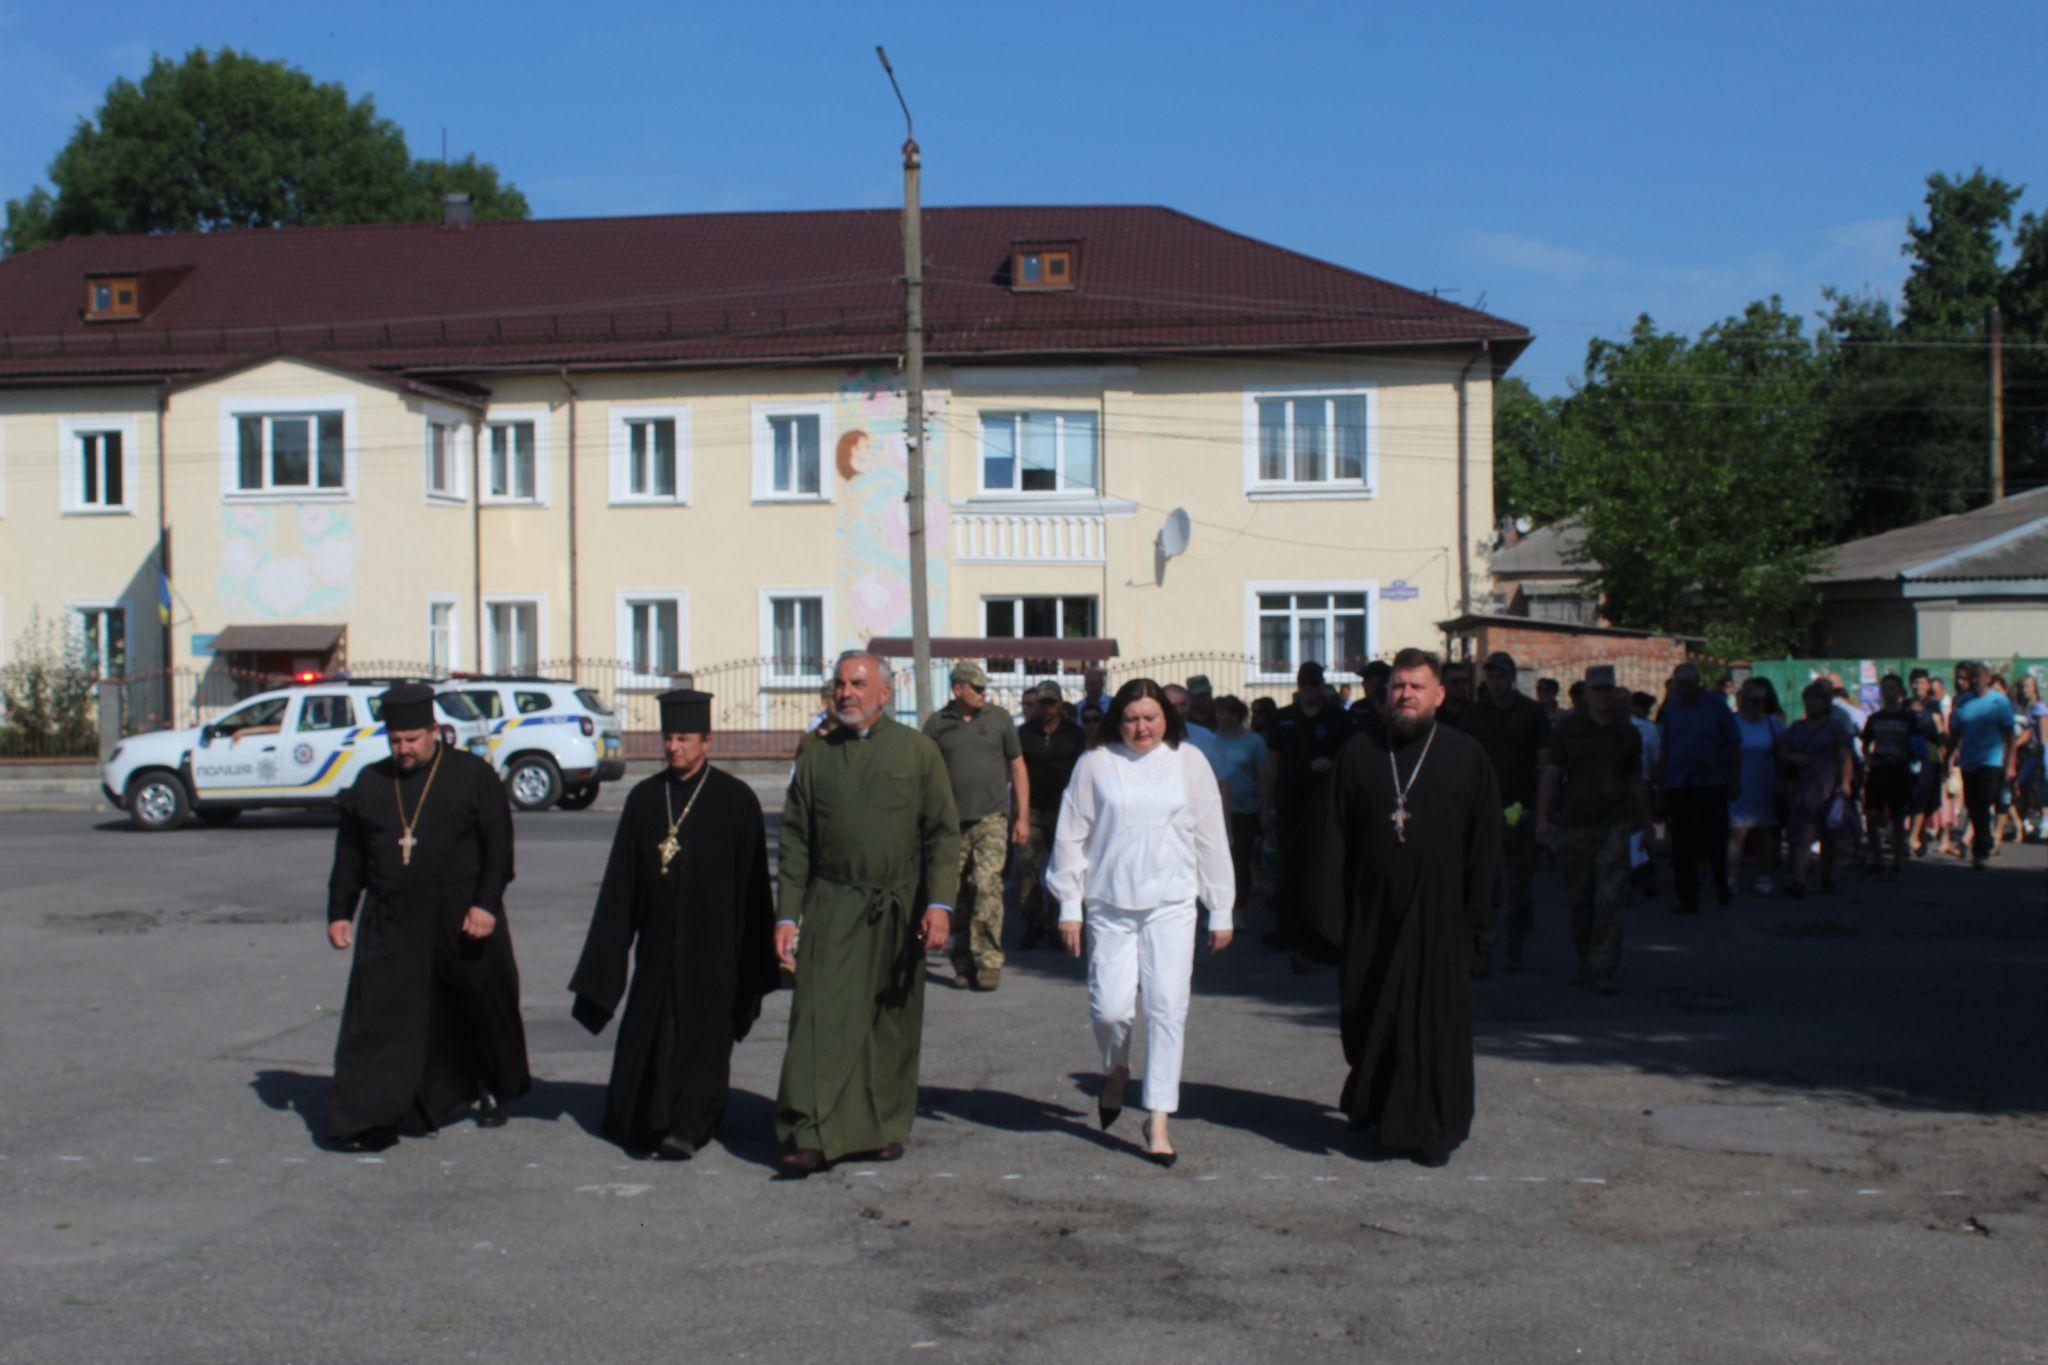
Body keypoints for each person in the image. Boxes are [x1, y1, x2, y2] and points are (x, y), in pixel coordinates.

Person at [1303, 648, 1503, 1167]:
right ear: (1384, 694)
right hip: (1373, 914)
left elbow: (1486, 844)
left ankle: (1433, 1127)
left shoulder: (1466, 755)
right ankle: (1379, 1113)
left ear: (1439, 695)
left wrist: (1479, 917)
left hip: (1441, 918)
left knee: (1433, 1023)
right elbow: (1333, 838)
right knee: (1371, 1013)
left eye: (1416, 687)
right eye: (1397, 687)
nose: (1406, 695)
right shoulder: (1360, 752)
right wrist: (1329, 917)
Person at [567, 690, 779, 1159]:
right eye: (668, 738)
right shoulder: (645, 799)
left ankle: (690, 1125)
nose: (674, 748)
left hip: (714, 946)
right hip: (659, 943)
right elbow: (620, 888)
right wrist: (604, 968)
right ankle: (645, 1119)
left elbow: (753, 892)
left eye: (684, 738)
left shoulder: (735, 800)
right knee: (652, 1027)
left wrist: (754, 959)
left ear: (707, 741)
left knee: (704, 1034)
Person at [773, 651, 962, 1176]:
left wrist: (939, 905)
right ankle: (806, 1130)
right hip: (833, 904)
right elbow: (795, 843)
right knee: (818, 1017)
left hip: (897, 908)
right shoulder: (815, 756)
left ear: (885, 693)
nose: (846, 693)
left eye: (858, 684)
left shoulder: (917, 752)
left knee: (888, 1026)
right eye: (840, 684)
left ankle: (878, 1130)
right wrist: (786, 915)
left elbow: (944, 834)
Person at [323, 682, 529, 1149]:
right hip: (391, 918)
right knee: (378, 1018)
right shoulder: (372, 783)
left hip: (461, 915)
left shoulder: (472, 776)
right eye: (395, 741)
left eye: (412, 739)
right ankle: (368, 1116)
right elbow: (351, 854)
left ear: (435, 730)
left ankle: (487, 1088)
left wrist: (486, 903)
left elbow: (499, 848)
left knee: (475, 1005)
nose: (404, 749)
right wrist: (340, 911)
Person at [1048, 678, 1235, 1166]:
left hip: (1172, 904)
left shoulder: (1188, 761)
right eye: (1131, 718)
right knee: (1110, 1010)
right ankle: (1115, 1068)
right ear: (1117, 720)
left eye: (1150, 717)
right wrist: (1070, 905)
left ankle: (1157, 1118)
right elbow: (1071, 834)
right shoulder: (1095, 763)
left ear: (1166, 719)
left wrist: (1221, 906)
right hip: (1109, 905)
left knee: (1167, 1008)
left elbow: (1210, 835)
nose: (1141, 727)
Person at [1537, 667, 1654, 994]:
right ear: (1586, 693)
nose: (1602, 696)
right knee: (1580, 899)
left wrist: (1648, 826)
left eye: (1607, 690)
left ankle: (1603, 967)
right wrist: (1543, 818)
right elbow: (1551, 772)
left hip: (1614, 824)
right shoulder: (1570, 728)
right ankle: (1584, 960)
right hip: (1576, 824)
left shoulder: (1626, 732)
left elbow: (1637, 781)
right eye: (1596, 690)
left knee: (1610, 899)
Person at [923, 661, 1028, 989]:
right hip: (950, 824)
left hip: (991, 817)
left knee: (986, 884)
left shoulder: (998, 719)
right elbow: (923, 771)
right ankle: (963, 962)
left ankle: (989, 960)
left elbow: (1017, 766)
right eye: (977, 688)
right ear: (958, 690)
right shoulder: (938, 724)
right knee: (955, 895)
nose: (984, 693)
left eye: (985, 688)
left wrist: (1021, 815)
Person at [1454, 651, 1550, 974]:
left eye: (1501, 677)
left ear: (1512, 679)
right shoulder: (1474, 715)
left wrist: (1542, 809)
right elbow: (1460, 761)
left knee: (1520, 885)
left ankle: (1515, 945)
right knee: (1482, 883)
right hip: (1482, 809)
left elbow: (1544, 761)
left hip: (1519, 809)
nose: (1495, 683)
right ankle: (1482, 948)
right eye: (1490, 677)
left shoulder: (1532, 713)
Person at [1259, 661, 1353, 954]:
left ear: (1322, 684)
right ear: (1298, 686)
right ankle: (1286, 930)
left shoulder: (1338, 718)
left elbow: (1352, 758)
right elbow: (1271, 764)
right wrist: (1266, 807)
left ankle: (1321, 931)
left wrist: (1332, 762)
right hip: (1289, 804)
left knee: (1323, 869)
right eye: (1304, 684)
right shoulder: (1283, 718)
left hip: (1324, 805)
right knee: (1288, 868)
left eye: (1314, 684)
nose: (1309, 689)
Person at [1657, 662, 1742, 912]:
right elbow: (1666, 749)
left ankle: (1720, 886)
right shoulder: (1672, 708)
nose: (1682, 690)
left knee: (1715, 839)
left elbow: (1734, 744)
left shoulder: (1715, 705)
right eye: (1678, 686)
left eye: (1686, 685)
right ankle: (1687, 897)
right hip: (1680, 784)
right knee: (1682, 844)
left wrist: (1735, 780)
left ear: (1697, 684)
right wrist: (1661, 788)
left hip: (1712, 783)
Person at [1014, 680, 1087, 951]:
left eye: (1051, 702)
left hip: (1064, 811)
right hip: (1031, 810)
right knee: (1027, 869)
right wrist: (1017, 814)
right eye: (1041, 702)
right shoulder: (1024, 734)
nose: (1046, 708)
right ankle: (1033, 923)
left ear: (1060, 704)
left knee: (1062, 867)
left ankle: (1058, 921)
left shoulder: (1075, 735)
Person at [1779, 681, 1855, 897]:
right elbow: (1782, 751)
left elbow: (1844, 756)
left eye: (1816, 700)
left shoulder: (1835, 728)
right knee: (1802, 835)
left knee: (1827, 836)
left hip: (1828, 787)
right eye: (1808, 700)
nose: (1811, 705)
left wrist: (1845, 782)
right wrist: (1795, 758)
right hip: (1804, 788)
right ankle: (1799, 880)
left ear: (1825, 703)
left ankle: (1826, 876)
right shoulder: (1797, 727)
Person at [1949, 661, 2020, 870]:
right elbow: (1955, 733)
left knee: (1983, 802)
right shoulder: (1963, 702)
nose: (1976, 681)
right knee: (1972, 805)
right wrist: (1948, 758)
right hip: (1969, 760)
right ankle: (1985, 840)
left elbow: (2010, 735)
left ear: (1988, 678)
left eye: (1980, 677)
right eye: (1973, 677)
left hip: (1992, 760)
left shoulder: (2000, 702)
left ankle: (1981, 849)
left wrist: (2009, 764)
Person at [1209, 696, 1271, 926]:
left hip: (1245, 809)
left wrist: (1265, 807)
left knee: (1240, 859)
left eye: (1224, 712)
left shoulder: (1253, 741)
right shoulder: (1212, 740)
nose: (1219, 717)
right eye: (1217, 712)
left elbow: (1264, 775)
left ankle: (1238, 908)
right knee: (1217, 859)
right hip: (1216, 810)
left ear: (1236, 715)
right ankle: (1217, 906)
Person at [1859, 674, 1926, 881]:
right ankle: (1877, 859)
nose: (1888, 692)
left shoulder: (1908, 718)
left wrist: (1906, 756)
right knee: (1872, 815)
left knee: (1897, 818)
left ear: (1899, 692)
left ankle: (1897, 861)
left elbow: (1918, 746)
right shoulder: (1875, 718)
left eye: (1892, 688)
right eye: (1885, 688)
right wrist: (1870, 759)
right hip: (1879, 770)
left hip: (1899, 771)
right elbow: (1865, 744)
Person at [1727, 680, 1787, 893]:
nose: (1757, 705)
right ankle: (1731, 876)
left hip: (1765, 782)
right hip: (1739, 782)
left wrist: (1781, 782)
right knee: (1737, 832)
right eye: (1752, 700)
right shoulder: (1733, 723)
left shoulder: (1772, 724)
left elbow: (1780, 755)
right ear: (1742, 701)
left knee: (1764, 832)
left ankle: (1765, 874)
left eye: (1761, 701)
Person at [1165, 682, 1222, 773]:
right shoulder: (1148, 737)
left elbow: (1222, 780)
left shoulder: (1205, 737)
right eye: (1173, 706)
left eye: (1183, 705)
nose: (1179, 711)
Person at [1439, 659, 1475, 728]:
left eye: (1464, 681)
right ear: (1443, 684)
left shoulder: (1476, 714)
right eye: (1455, 682)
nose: (1461, 686)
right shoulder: (1432, 715)